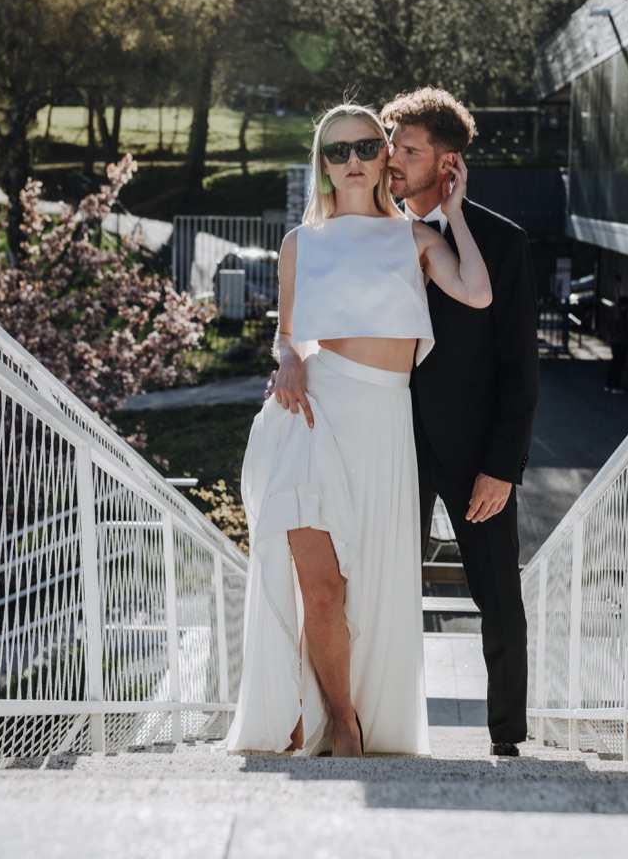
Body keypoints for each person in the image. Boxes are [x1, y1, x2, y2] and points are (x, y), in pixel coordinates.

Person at [226, 103, 491, 757]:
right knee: (320, 585)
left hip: (381, 424)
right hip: (309, 417)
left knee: (366, 590)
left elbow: (478, 292)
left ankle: (323, 712)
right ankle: (341, 724)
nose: (353, 160)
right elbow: (287, 337)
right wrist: (287, 359)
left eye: (367, 147)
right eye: (337, 150)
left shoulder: (414, 239)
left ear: (384, 157)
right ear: (322, 163)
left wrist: (453, 212)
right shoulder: (300, 243)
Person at [381, 87, 539, 758]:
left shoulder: (504, 244)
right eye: (391, 143)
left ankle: (507, 738)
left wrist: (503, 466)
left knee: (497, 596)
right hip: (388, 442)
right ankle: (379, 726)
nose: (391, 159)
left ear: (446, 165)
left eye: (408, 149)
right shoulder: (374, 233)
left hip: (477, 454)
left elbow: (518, 368)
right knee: (383, 590)